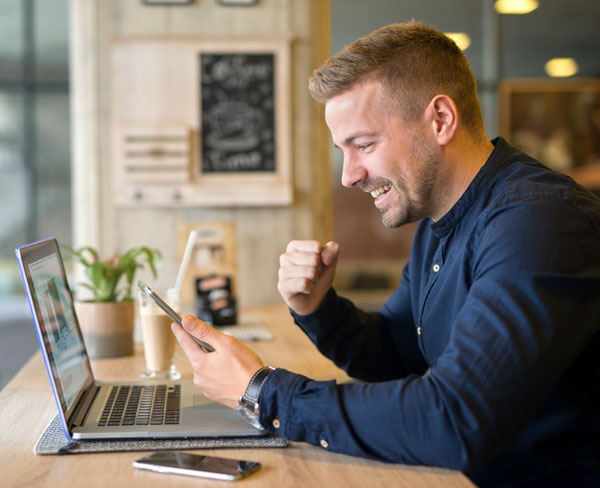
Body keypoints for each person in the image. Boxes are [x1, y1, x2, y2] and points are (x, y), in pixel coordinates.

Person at [172, 21, 600, 487]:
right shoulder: (440, 220)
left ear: (440, 119)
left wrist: (263, 392)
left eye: (364, 144)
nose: (349, 175)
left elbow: (455, 420)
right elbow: (397, 352)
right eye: (343, 151)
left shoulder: (539, 221)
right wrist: (318, 308)